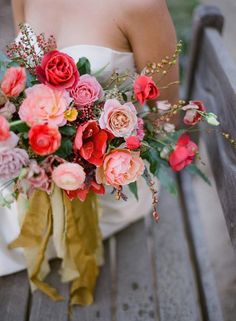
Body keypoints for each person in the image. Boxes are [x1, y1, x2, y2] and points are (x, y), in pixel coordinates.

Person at [0, 0, 179, 276]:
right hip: (29, 169)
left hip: (102, 192)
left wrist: (97, 149)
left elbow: (166, 119)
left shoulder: (143, 6)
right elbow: (24, 73)